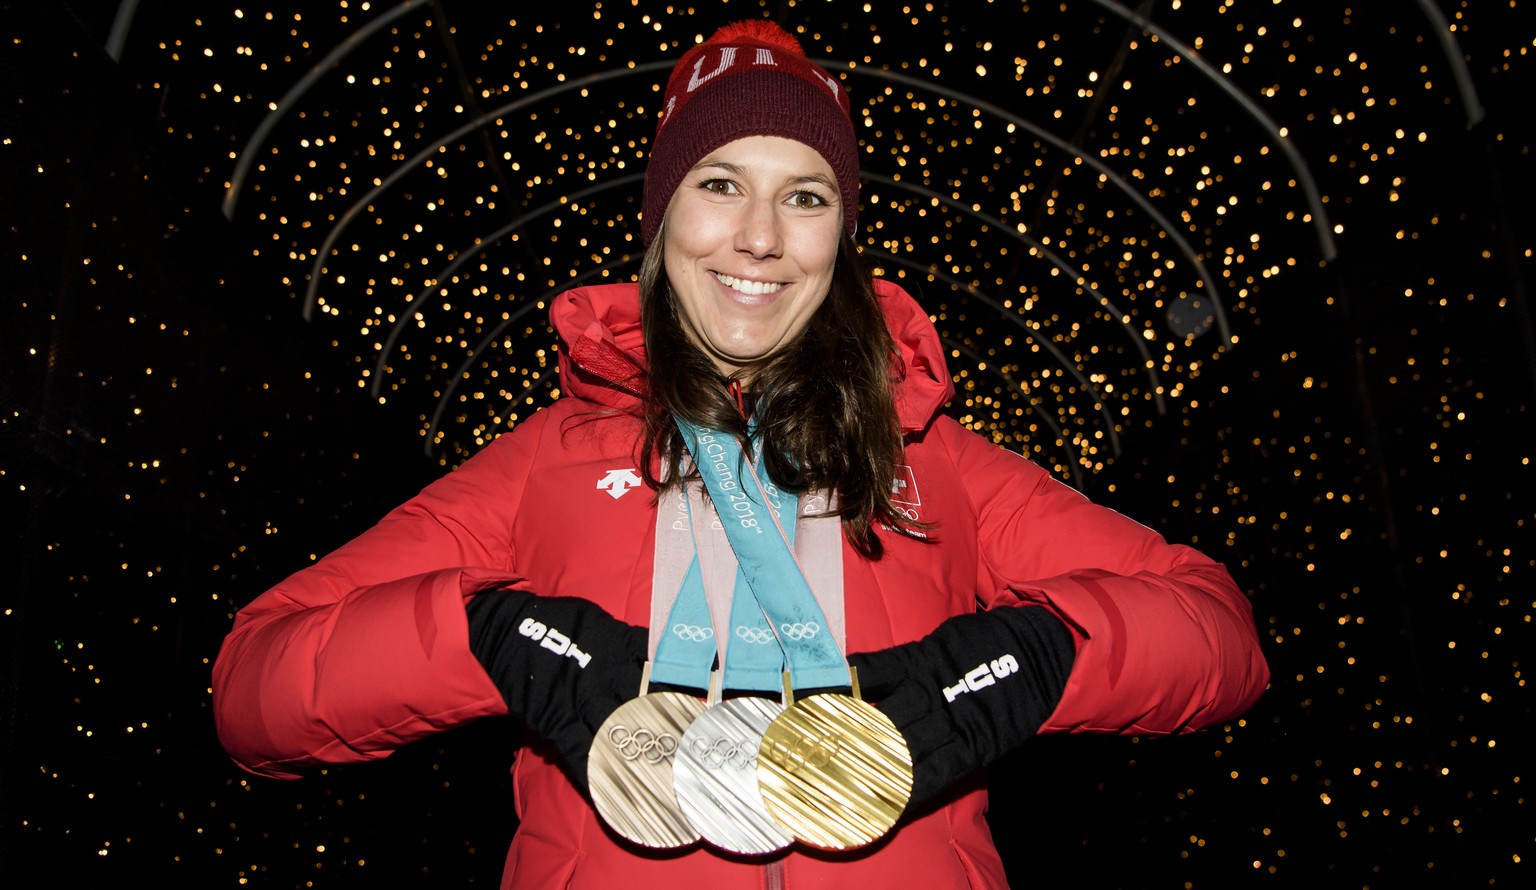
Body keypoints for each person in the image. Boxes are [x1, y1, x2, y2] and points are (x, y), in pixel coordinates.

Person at [212, 19, 1268, 889]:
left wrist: (1017, 664)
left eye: (805, 196)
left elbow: (1217, 631)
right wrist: (494, 635)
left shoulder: (935, 458)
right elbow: (254, 684)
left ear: (839, 236)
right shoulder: (545, 460)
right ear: (664, 213)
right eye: (720, 183)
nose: (760, 235)